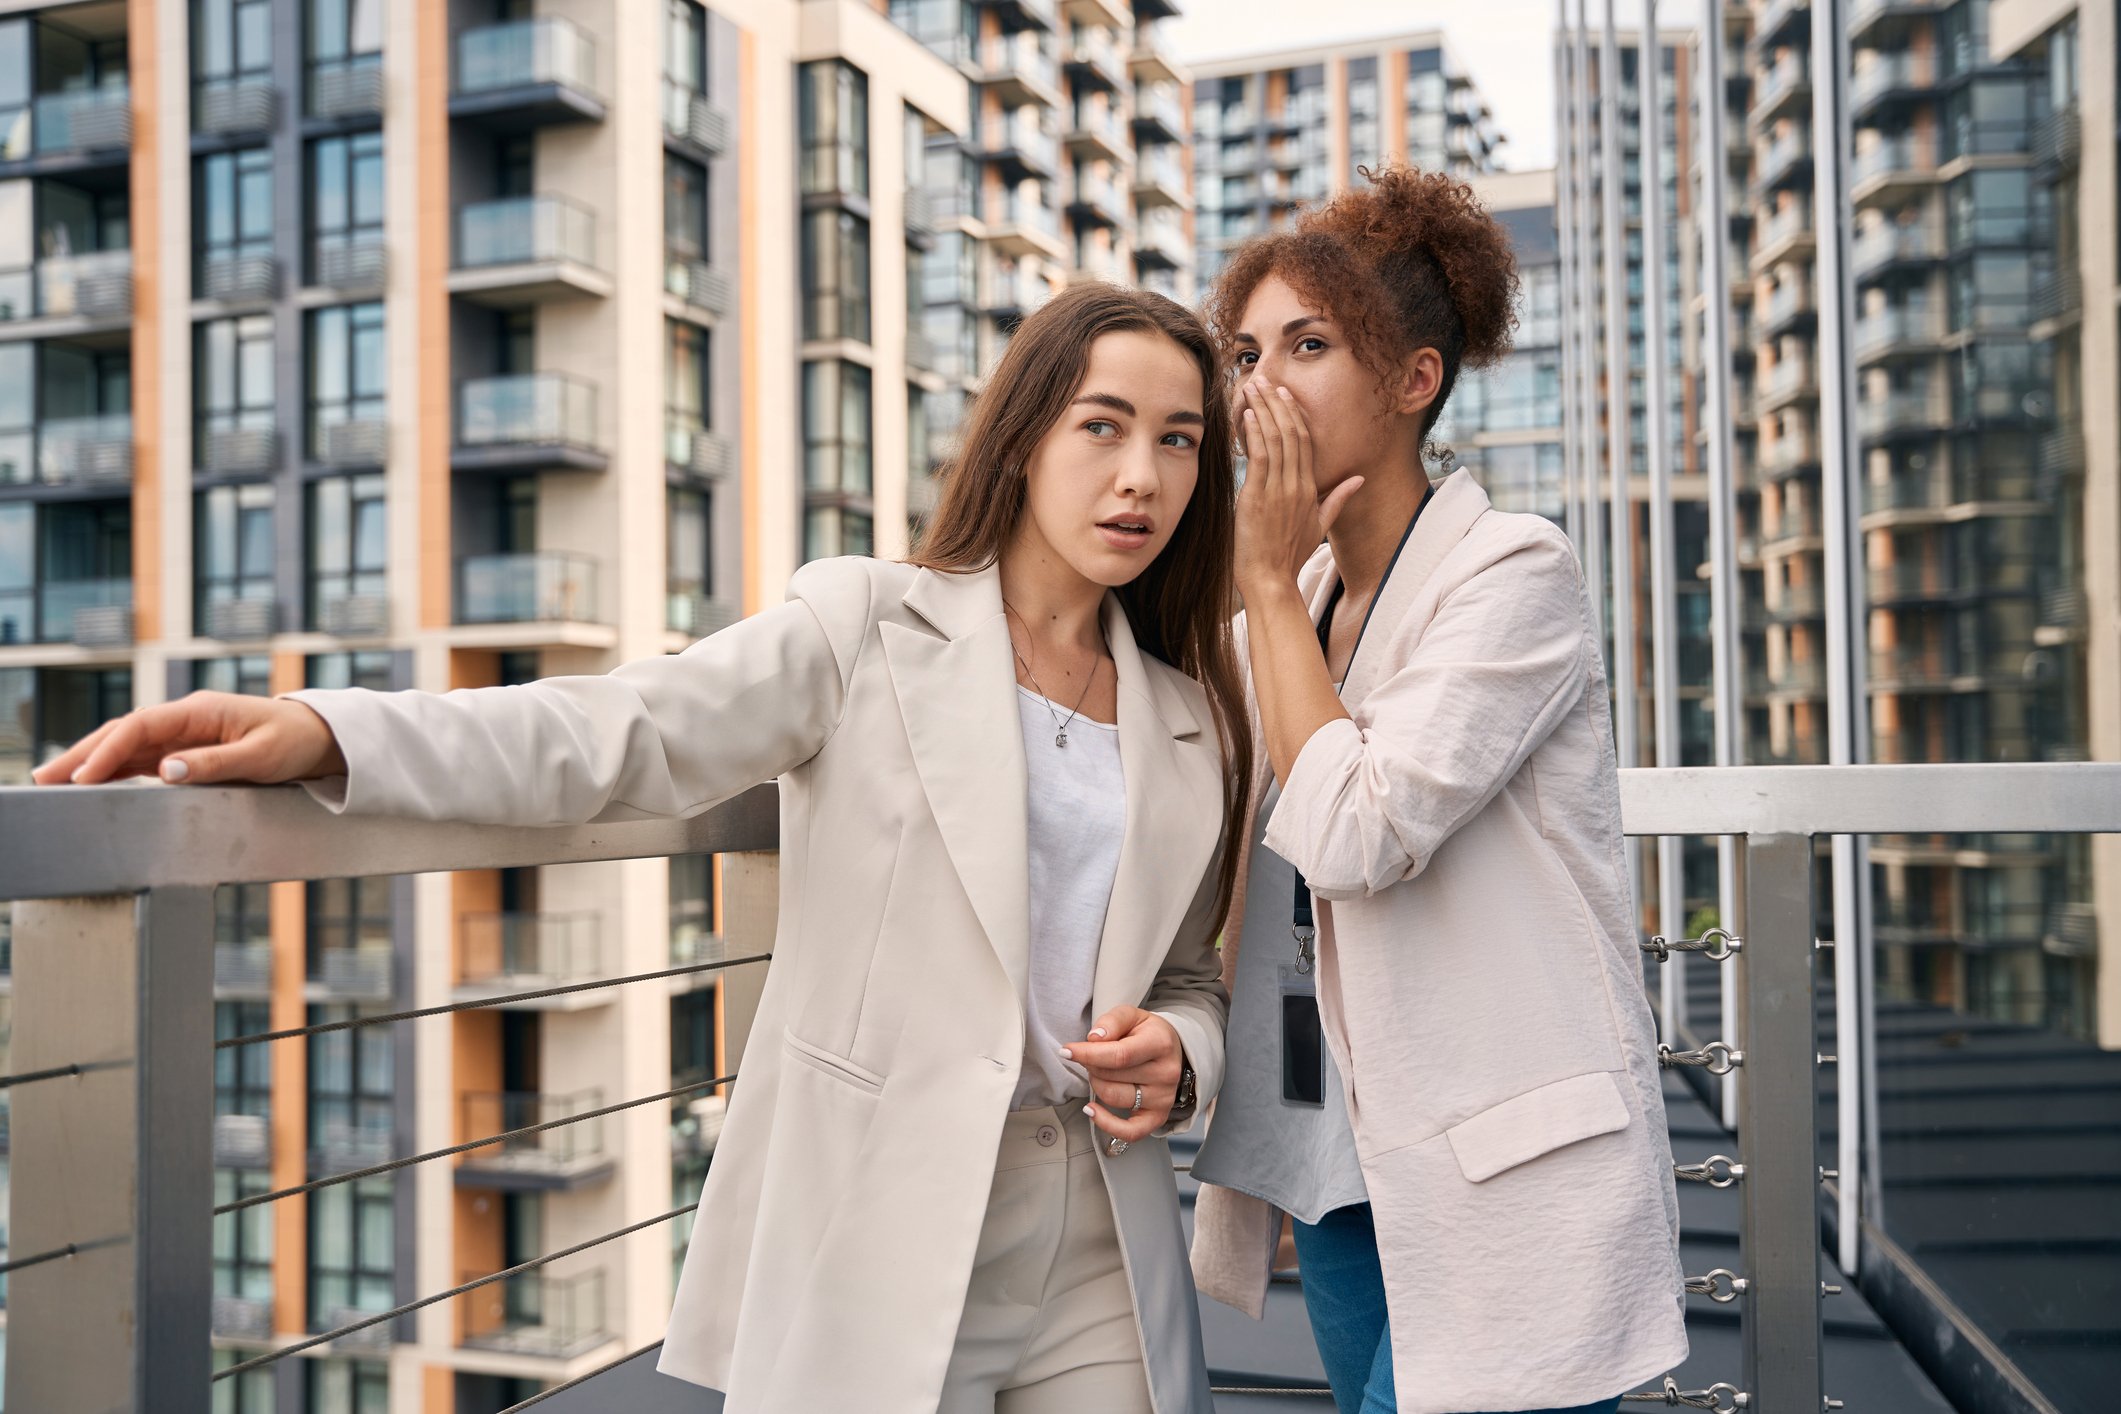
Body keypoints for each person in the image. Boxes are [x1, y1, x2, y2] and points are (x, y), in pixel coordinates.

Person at [35, 283, 1254, 1414]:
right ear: (1026, 438)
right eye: (1103, 426)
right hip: (883, 1223)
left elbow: (1193, 978)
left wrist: (1183, 1054)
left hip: (1098, 1232)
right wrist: (323, 730)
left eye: (1179, 438)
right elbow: (613, 732)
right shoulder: (869, 628)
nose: (1140, 475)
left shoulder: (1191, 719)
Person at [1185, 165, 1689, 1414]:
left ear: (1416, 381)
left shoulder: (1514, 572)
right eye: (1246, 352)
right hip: (1345, 1150)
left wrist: (1256, 586)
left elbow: (1359, 831)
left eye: (1309, 345)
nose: (1264, 384)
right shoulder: (1291, 606)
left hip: (1506, 1165)